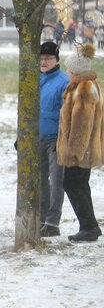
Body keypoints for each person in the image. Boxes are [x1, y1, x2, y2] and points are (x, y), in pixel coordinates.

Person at [56, 43, 103, 243]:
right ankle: (90, 225)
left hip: (81, 149)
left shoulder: (83, 88)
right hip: (86, 148)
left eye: (69, 68)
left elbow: (82, 125)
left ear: (76, 69)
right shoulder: (87, 85)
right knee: (80, 183)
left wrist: (75, 151)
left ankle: (89, 227)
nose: (66, 71)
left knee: (72, 182)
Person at [38, 41, 69, 237]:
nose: (44, 62)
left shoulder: (64, 82)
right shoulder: (35, 79)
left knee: (56, 181)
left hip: (56, 139)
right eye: (41, 59)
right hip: (37, 137)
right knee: (40, 181)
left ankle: (52, 222)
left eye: (48, 58)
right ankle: (41, 219)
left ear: (56, 59)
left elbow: (66, 114)